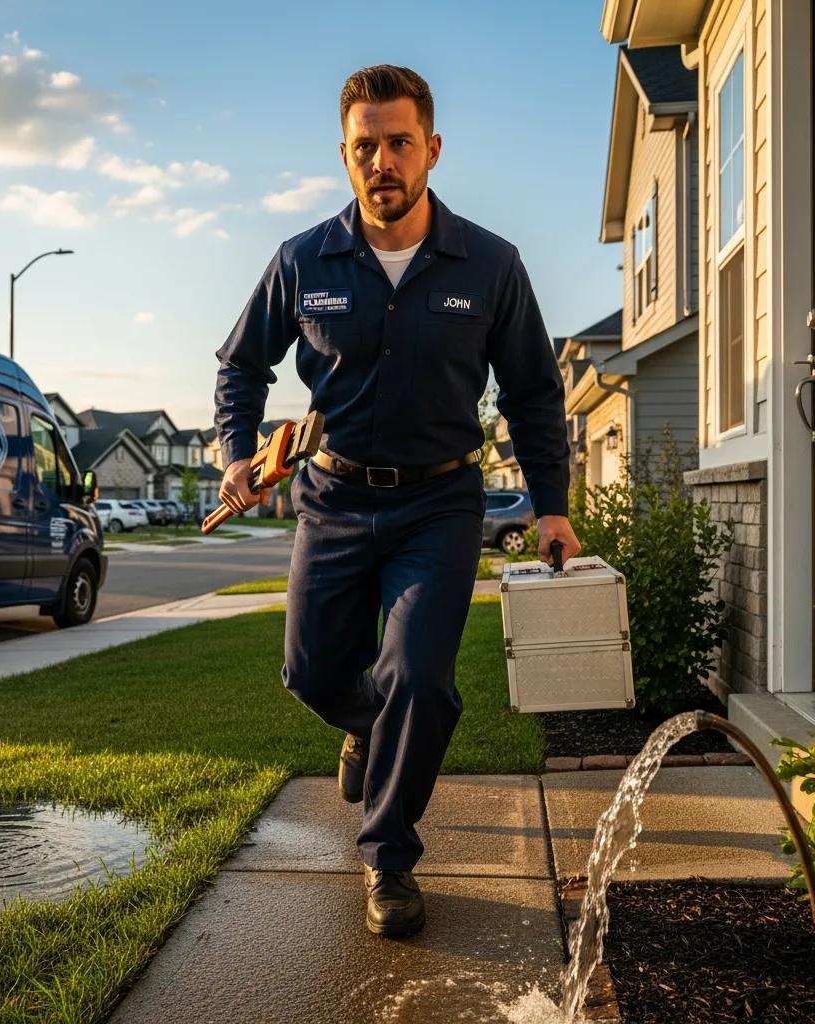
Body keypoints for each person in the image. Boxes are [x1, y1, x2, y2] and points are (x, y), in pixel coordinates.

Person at [213, 65, 580, 938]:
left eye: (400, 143)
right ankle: (366, 729)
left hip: (440, 504)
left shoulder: (490, 264)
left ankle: (387, 857)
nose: (383, 161)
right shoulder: (303, 260)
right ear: (345, 156)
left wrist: (553, 504)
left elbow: (533, 391)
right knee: (308, 671)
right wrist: (236, 451)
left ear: (432, 150)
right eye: (365, 146)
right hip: (332, 497)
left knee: (420, 677)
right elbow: (240, 364)